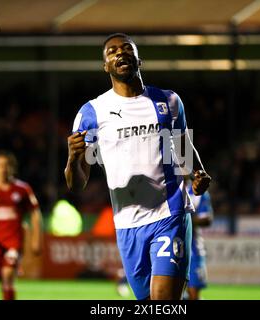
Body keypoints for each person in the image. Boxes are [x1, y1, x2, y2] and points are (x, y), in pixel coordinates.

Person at [65, 33, 211, 300]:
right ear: (105, 66)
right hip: (128, 225)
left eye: (126, 48)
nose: (120, 53)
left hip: (170, 214)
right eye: (112, 51)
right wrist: (73, 159)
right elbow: (77, 184)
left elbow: (183, 149)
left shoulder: (168, 101)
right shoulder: (92, 113)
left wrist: (197, 173)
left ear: (139, 59)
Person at [0, 151, 42, 300]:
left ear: (13, 168)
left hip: (14, 243)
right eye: (0, 165)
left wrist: (36, 239)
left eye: (6, 166)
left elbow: (35, 213)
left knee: (7, 276)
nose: (3, 169)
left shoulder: (22, 189)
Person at [185, 181, 213, 300]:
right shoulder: (165, 187)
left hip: (193, 248)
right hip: (169, 246)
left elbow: (207, 219)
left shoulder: (198, 191)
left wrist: (185, 218)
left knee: (193, 293)